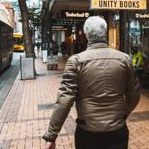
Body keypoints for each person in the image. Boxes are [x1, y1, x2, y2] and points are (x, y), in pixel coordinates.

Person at [43, 16, 140, 149]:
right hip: (117, 130)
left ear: (86, 34)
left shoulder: (76, 61)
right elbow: (134, 94)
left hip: (87, 131)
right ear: (105, 32)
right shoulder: (124, 59)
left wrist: (51, 135)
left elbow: (64, 100)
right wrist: (122, 114)